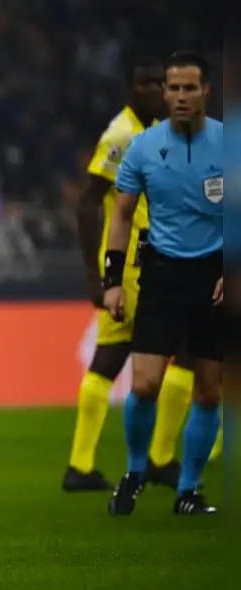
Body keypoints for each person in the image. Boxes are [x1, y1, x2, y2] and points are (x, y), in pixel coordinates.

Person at [65, 56, 202, 492]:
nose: (153, 90)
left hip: (161, 262)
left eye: (158, 83)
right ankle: (87, 465)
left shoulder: (160, 133)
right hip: (128, 269)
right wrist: (95, 276)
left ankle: (148, 459)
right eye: (144, 83)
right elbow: (89, 202)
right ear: (129, 89)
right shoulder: (122, 135)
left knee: (184, 350)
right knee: (114, 357)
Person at [104, 51, 223, 516]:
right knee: (145, 385)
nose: (178, 96)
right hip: (161, 272)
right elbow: (121, 215)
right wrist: (113, 281)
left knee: (210, 390)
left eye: (189, 88)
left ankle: (188, 490)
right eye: (172, 88)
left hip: (213, 276)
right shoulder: (143, 147)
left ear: (205, 92)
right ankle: (136, 472)